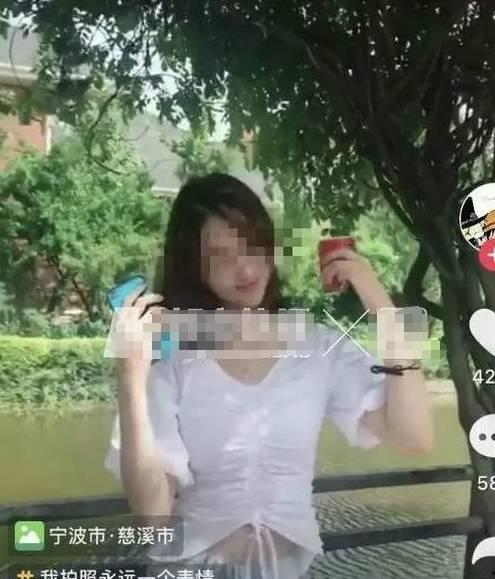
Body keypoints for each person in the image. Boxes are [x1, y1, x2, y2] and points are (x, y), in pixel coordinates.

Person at [104, 173, 434, 579]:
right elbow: (153, 516)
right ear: (194, 266)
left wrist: (379, 303)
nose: (245, 267)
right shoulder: (174, 355)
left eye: (252, 244)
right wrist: (130, 374)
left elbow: (414, 438)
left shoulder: (316, 344)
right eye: (220, 255)